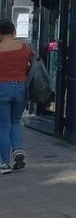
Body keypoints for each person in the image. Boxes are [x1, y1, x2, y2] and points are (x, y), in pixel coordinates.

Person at [0, 18, 33, 174]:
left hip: (2, 88)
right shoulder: (25, 48)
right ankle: (18, 150)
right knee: (15, 122)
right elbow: (32, 66)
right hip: (21, 88)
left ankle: (5, 164)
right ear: (14, 32)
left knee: (3, 126)